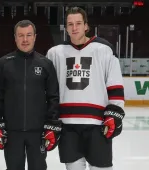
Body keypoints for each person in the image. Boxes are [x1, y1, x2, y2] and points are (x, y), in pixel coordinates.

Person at [46, 7, 125, 170]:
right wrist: (50, 120)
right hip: (68, 126)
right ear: (65, 27)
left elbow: (115, 84)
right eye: (70, 24)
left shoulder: (104, 50)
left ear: (86, 26)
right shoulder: (55, 53)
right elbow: (48, 91)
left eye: (78, 23)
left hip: (97, 125)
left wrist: (114, 114)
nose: (74, 28)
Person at [0, 20, 62, 170]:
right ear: (15, 37)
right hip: (12, 132)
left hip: (38, 132)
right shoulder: (3, 64)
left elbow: (53, 96)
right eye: (21, 35)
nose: (25, 40)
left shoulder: (45, 64)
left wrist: (52, 125)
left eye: (29, 35)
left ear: (35, 37)